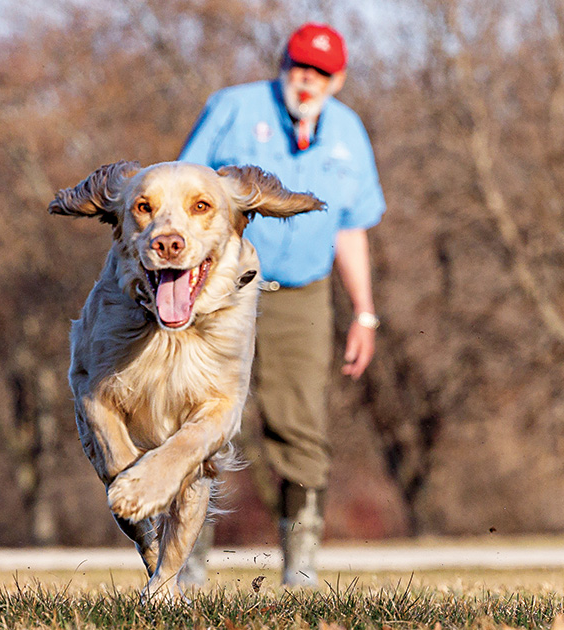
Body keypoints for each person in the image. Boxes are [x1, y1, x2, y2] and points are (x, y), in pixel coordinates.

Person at [177, 22, 385, 587]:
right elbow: (182, 190)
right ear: (283, 64)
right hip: (223, 291)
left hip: (305, 296)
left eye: (320, 72)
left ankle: (302, 566)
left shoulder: (348, 132)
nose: (307, 79)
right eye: (299, 66)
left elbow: (351, 228)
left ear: (337, 79)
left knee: (300, 425)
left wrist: (364, 313)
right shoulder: (233, 108)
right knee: (207, 418)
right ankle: (187, 563)